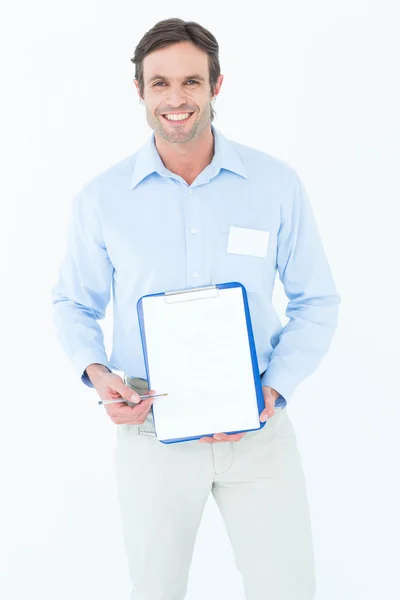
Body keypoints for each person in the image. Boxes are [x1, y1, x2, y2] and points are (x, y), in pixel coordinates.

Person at [51, 17, 341, 600]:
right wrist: (99, 374)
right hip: (152, 435)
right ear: (140, 91)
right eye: (160, 84)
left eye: (191, 82)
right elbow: (72, 303)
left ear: (216, 86)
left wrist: (274, 389)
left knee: (289, 589)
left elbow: (317, 300)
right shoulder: (102, 199)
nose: (176, 99)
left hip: (258, 434)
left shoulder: (274, 185)